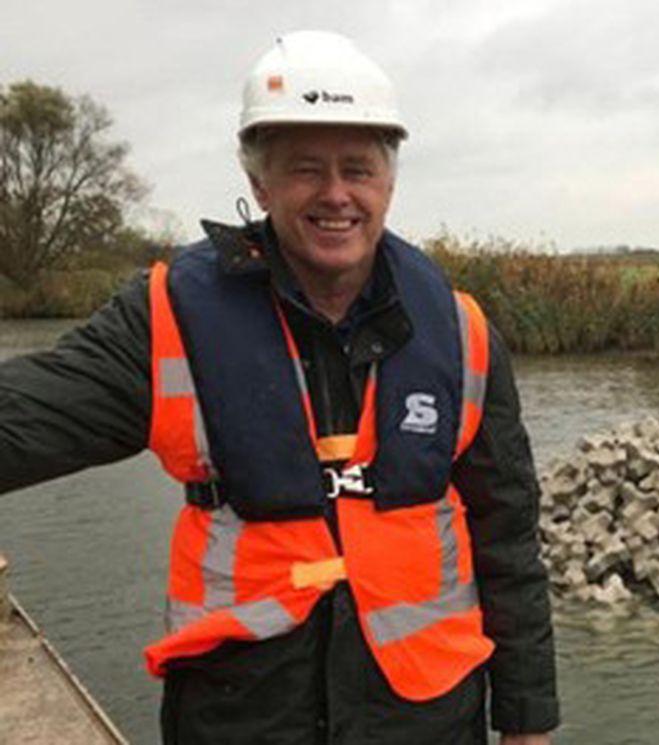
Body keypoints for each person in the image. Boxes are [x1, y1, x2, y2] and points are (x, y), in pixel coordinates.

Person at [0, 30, 558, 745]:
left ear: (389, 180)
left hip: (424, 713)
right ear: (260, 183)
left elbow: (507, 539)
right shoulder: (171, 314)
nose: (335, 195)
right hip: (241, 708)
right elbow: (25, 417)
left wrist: (526, 722)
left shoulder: (461, 331)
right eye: (304, 170)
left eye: (357, 168)